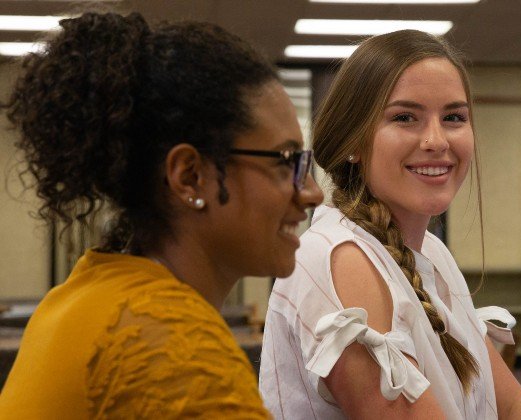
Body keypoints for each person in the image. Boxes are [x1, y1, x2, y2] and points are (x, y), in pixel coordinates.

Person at [0, 12, 322, 418]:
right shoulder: (173, 346)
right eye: (287, 160)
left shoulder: (86, 292)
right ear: (190, 176)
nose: (312, 193)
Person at [259, 30, 521, 419]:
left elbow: (517, 407)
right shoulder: (340, 258)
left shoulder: (430, 253)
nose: (436, 140)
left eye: (454, 117)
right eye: (405, 117)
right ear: (353, 140)